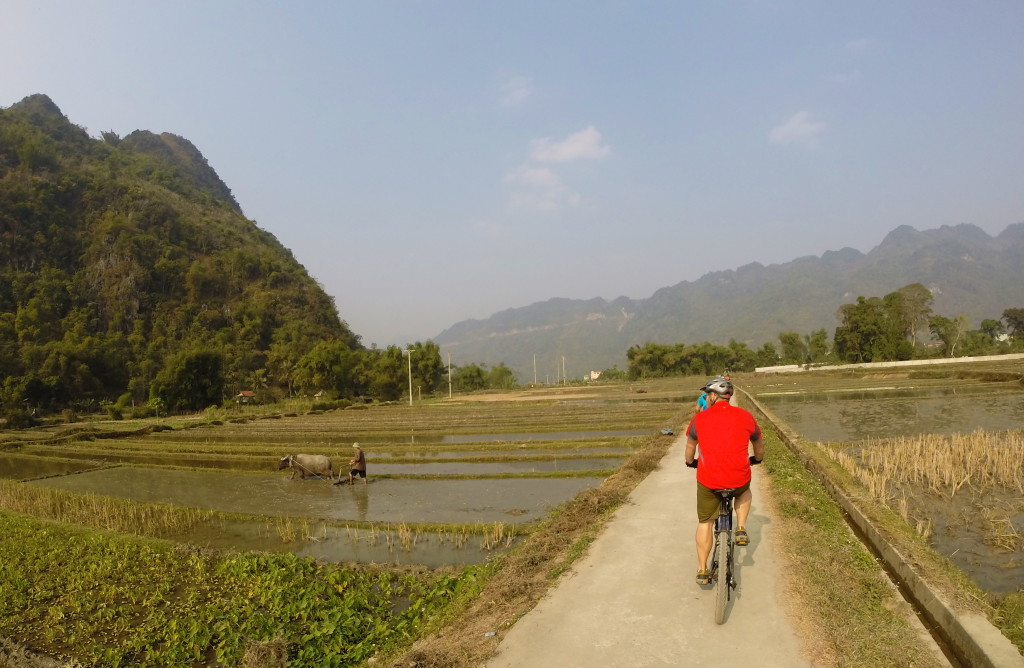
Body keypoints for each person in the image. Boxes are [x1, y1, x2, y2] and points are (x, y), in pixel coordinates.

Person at [684, 376, 764, 585]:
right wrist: (757, 459)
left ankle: (703, 569)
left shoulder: (699, 419)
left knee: (705, 522)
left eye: (707, 395)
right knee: (744, 490)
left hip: (709, 479)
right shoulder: (745, 416)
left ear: (712, 396)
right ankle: (741, 527)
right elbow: (758, 443)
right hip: (738, 476)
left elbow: (690, 448)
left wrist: (690, 462)